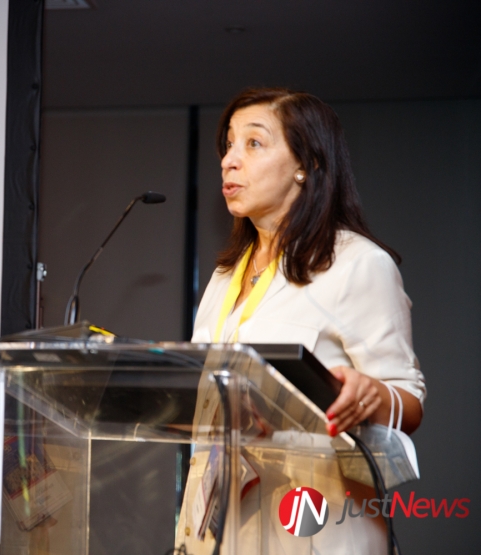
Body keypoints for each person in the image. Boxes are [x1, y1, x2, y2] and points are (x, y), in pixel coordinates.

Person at [180, 88, 426, 554]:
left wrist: (370, 394)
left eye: (253, 143)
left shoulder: (357, 264)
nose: (229, 160)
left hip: (312, 523)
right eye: (228, 145)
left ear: (305, 164)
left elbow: (409, 401)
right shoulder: (224, 277)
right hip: (221, 526)